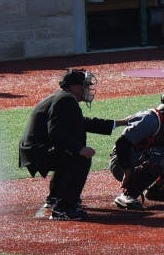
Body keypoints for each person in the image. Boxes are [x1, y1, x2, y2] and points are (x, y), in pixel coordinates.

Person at [19, 69, 123, 220]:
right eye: (84, 86)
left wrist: (119, 123)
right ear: (74, 86)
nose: (86, 89)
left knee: (69, 154)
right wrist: (79, 149)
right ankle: (64, 208)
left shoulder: (62, 97)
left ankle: (55, 198)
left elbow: (82, 123)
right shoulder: (65, 99)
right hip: (38, 151)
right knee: (79, 158)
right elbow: (55, 132)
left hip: (35, 149)